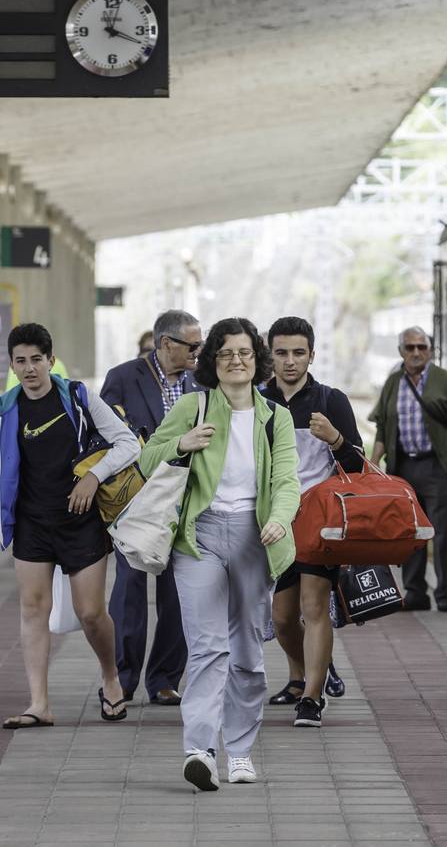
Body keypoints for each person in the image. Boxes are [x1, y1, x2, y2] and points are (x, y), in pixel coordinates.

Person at [139, 317, 299, 791]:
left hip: (256, 537)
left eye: (245, 353)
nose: (236, 361)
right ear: (212, 360)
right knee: (209, 647)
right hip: (199, 537)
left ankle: (242, 752)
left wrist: (280, 518)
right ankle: (201, 750)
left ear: (257, 360)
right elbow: (147, 459)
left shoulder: (275, 417)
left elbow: (287, 479)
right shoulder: (194, 405)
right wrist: (180, 445)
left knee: (248, 653)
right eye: (226, 353)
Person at [0, 323, 139, 730]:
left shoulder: (78, 397)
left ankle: (111, 679)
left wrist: (94, 478)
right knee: (32, 609)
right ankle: (39, 704)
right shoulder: (2, 412)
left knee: (91, 613)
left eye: (36, 360)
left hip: (81, 523)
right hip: (32, 524)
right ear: (11, 364)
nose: (29, 369)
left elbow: (127, 443)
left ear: (50, 360)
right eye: (20, 361)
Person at [262, 316, 363, 728]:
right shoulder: (254, 401)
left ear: (311, 356)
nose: (290, 361)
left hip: (318, 522)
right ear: (270, 355)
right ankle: (306, 672)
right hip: (275, 522)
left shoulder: (330, 399)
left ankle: (312, 697)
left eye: (298, 353)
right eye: (282, 353)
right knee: (283, 617)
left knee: (313, 607)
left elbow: (358, 464)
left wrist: (336, 439)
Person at [100, 309, 203, 706]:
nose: (198, 351)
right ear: (166, 344)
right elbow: (105, 436)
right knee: (128, 590)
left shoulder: (202, 381)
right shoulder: (124, 377)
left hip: (186, 498)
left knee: (178, 592)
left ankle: (164, 678)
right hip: (138, 499)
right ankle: (121, 679)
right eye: (192, 345)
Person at [368, 326, 447, 612]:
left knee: (443, 533)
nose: (417, 352)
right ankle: (415, 592)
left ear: (430, 351)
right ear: (401, 352)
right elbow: (383, 425)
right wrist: (372, 464)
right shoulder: (394, 383)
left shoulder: (446, 381)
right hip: (404, 467)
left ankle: (445, 595)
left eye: (422, 347)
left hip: (439, 466)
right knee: (410, 532)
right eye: (410, 348)